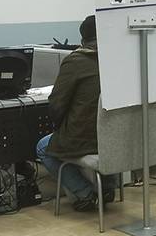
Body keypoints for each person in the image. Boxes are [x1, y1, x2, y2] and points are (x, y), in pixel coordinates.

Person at [36, 15, 116, 211]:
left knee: (43, 147)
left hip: (85, 138)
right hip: (116, 137)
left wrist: (59, 127)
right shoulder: (119, 59)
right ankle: (107, 187)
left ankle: (85, 193)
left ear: (82, 40)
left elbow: (57, 105)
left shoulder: (76, 61)